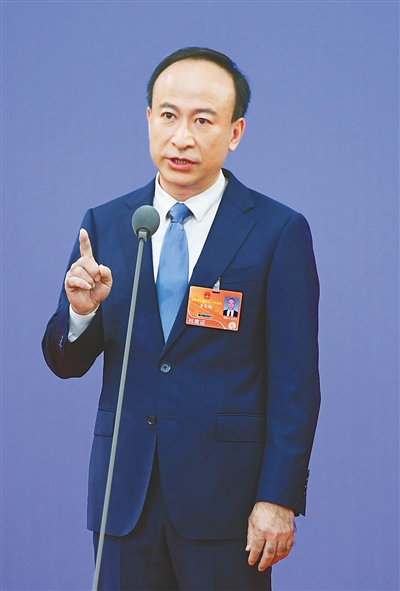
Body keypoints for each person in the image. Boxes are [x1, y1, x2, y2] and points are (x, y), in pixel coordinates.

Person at [42, 47, 320, 591]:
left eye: (203, 120)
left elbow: (295, 383)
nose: (182, 137)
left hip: (227, 504)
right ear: (149, 119)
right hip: (124, 499)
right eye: (168, 115)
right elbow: (65, 362)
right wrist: (80, 312)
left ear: (234, 132)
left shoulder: (277, 231)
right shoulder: (108, 223)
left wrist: (279, 497)